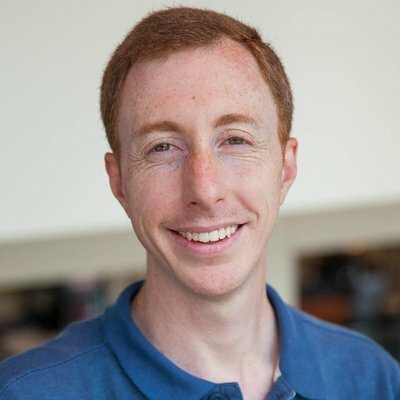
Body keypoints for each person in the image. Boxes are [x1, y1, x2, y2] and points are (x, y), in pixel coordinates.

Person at [1, 7, 399, 400]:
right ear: (119, 181)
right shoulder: (25, 394)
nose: (205, 190)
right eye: (162, 147)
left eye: (236, 140)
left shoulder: (373, 379)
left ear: (285, 167)